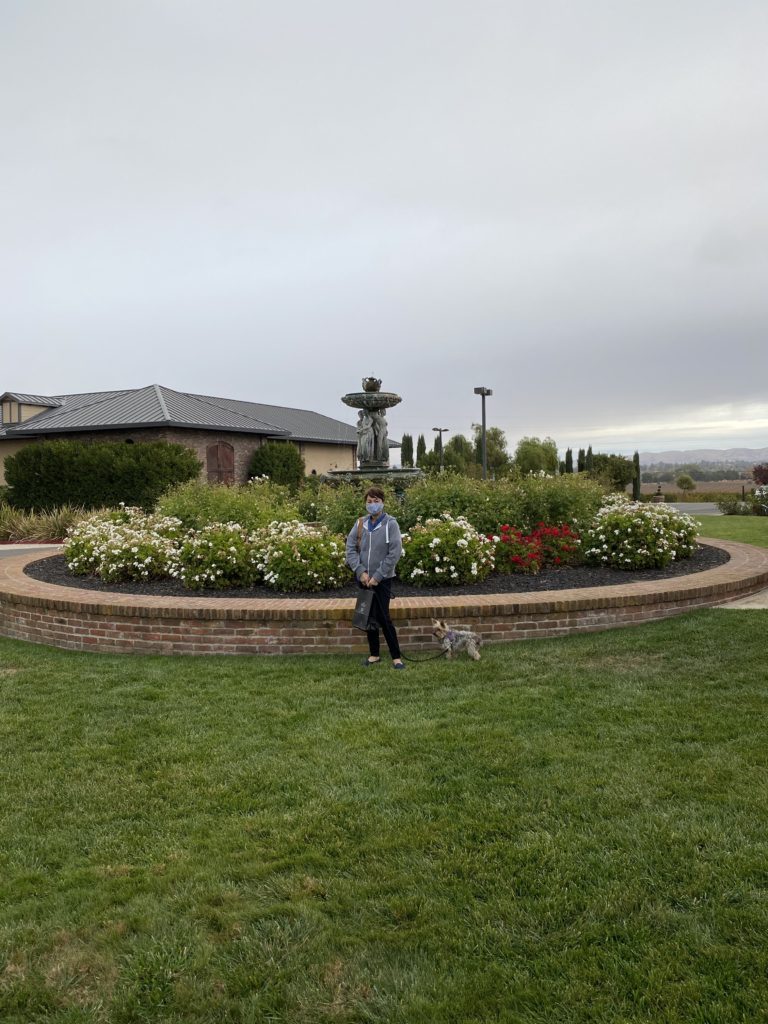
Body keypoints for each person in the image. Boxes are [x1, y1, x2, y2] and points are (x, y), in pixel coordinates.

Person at [345, 486, 405, 669]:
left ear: (383, 502)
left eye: (376, 501)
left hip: (383, 580)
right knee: (368, 616)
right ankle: (374, 654)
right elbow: (350, 549)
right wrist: (360, 571)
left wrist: (378, 576)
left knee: (384, 617)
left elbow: (394, 553)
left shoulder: (390, 524)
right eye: (369, 501)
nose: (372, 505)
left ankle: (396, 657)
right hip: (363, 579)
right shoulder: (360, 523)